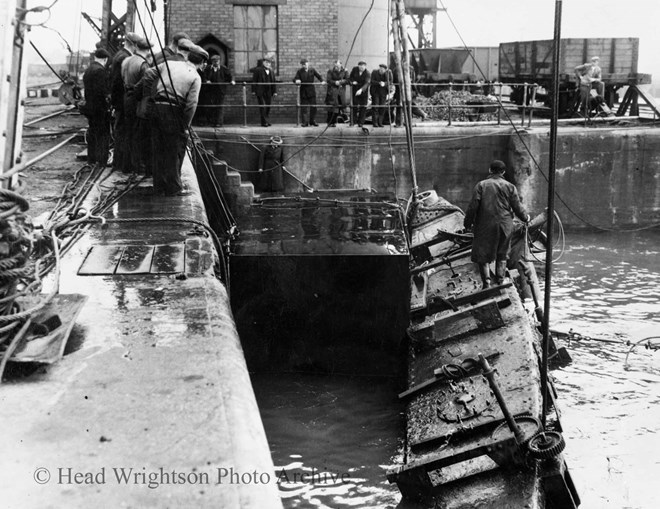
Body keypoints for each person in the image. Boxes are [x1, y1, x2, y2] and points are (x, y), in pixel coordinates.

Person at [145, 44, 207, 195]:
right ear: (202, 63)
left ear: (188, 56)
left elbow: (148, 74)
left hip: (156, 108)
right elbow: (191, 105)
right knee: (173, 149)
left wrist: (149, 97)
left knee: (158, 148)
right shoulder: (195, 77)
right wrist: (185, 125)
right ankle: (173, 188)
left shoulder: (169, 64)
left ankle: (159, 187)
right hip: (173, 111)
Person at [463, 160, 530, 289]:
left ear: (490, 170)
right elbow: (517, 207)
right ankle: (500, 281)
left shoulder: (481, 185)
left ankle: (486, 284)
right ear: (503, 172)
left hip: (484, 225)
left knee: (483, 254)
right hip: (505, 225)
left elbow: (473, 207)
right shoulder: (510, 187)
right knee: (503, 252)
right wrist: (526, 218)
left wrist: (467, 223)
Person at [109, 32, 140, 173]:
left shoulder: (119, 55)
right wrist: (120, 104)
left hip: (120, 102)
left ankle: (119, 163)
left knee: (121, 132)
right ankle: (121, 164)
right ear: (132, 44)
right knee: (123, 133)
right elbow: (117, 82)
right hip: (122, 102)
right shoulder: (124, 57)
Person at [121, 36, 153, 174]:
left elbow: (123, 79)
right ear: (148, 50)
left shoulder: (126, 61)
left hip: (126, 99)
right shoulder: (143, 64)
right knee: (139, 135)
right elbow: (146, 86)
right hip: (138, 102)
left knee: (128, 132)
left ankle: (127, 166)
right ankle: (138, 167)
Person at [82, 48, 111, 166]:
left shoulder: (88, 70)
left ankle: (91, 159)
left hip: (90, 107)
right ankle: (102, 160)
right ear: (105, 59)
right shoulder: (100, 71)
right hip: (100, 109)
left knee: (92, 133)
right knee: (103, 134)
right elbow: (102, 92)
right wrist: (108, 105)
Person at [204, 54, 234, 126]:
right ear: (212, 62)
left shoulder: (224, 68)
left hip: (220, 90)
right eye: (214, 62)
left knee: (219, 106)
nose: (216, 63)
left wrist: (232, 81)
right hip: (210, 90)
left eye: (217, 61)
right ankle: (212, 122)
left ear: (219, 61)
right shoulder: (208, 69)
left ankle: (219, 122)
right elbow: (204, 76)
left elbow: (230, 76)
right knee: (211, 106)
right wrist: (206, 80)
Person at [294, 58, 324, 127]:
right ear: (302, 65)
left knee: (313, 107)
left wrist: (322, 81)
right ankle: (305, 122)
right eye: (303, 64)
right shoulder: (299, 71)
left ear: (308, 63)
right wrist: (297, 80)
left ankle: (312, 121)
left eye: (306, 63)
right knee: (304, 108)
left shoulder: (312, 70)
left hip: (311, 91)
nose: (305, 65)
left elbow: (318, 76)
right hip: (303, 92)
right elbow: (295, 79)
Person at [252, 58, 277, 127]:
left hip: (269, 91)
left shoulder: (271, 71)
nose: (268, 64)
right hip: (260, 91)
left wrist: (274, 91)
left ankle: (266, 120)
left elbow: (273, 82)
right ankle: (264, 122)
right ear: (263, 63)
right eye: (266, 62)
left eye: (269, 63)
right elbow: (254, 81)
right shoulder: (258, 70)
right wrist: (253, 91)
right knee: (262, 106)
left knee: (268, 106)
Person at [326, 60, 348, 126]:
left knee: (339, 106)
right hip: (333, 92)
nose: (337, 67)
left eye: (338, 66)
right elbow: (328, 80)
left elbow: (348, 79)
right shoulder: (330, 71)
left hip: (341, 92)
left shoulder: (345, 71)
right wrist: (335, 82)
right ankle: (330, 122)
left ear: (341, 65)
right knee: (332, 107)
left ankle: (334, 121)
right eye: (335, 66)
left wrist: (341, 82)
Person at [370, 64, 393, 128]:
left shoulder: (388, 73)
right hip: (375, 92)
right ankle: (375, 123)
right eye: (380, 69)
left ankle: (380, 122)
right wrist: (379, 83)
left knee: (382, 107)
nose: (381, 71)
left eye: (383, 70)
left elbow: (391, 81)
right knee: (375, 107)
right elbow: (372, 81)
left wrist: (385, 83)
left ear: (385, 70)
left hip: (383, 92)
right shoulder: (374, 72)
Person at [348, 61, 369, 127]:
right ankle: (353, 121)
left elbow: (367, 83)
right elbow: (350, 78)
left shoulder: (367, 73)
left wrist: (361, 90)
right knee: (354, 106)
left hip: (363, 92)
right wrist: (352, 82)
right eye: (360, 66)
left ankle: (361, 123)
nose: (362, 68)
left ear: (365, 67)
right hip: (355, 91)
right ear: (358, 66)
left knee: (363, 107)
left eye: (363, 67)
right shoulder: (355, 69)